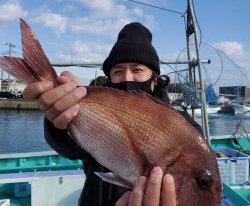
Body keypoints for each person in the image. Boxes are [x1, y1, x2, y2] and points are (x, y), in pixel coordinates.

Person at [23, 22, 202, 206]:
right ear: (110, 79)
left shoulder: (186, 127)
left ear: (154, 80)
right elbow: (71, 149)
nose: (127, 78)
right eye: (118, 71)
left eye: (137, 70)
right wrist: (59, 117)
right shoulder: (96, 110)